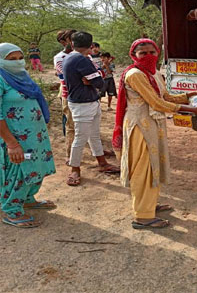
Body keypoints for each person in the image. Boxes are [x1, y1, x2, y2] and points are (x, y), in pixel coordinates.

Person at [112, 38, 197, 229]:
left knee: (153, 165)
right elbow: (156, 103)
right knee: (144, 168)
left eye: (152, 52)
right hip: (140, 126)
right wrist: (192, 110)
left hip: (153, 123)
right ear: (134, 56)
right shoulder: (135, 74)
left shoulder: (153, 72)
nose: (149, 56)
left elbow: (164, 97)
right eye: (143, 53)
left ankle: (149, 205)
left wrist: (192, 94)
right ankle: (142, 216)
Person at [0, 43, 56, 228]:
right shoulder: (1, 79)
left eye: (19, 58)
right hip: (16, 137)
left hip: (34, 135)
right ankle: (11, 210)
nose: (17, 63)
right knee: (19, 170)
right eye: (11, 59)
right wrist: (11, 144)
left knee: (36, 165)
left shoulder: (22, 76)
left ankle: (27, 197)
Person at [63, 31, 119, 186]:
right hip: (84, 103)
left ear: (72, 44)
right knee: (81, 138)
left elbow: (96, 79)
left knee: (92, 135)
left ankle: (101, 163)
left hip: (85, 101)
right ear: (91, 45)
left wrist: (94, 79)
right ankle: (75, 169)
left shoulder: (71, 58)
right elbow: (100, 82)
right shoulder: (82, 60)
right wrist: (95, 79)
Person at [54, 29, 76, 165]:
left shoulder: (84, 55)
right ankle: (70, 155)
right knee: (70, 125)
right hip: (69, 94)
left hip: (81, 94)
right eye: (71, 39)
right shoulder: (59, 57)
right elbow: (67, 77)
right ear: (63, 42)